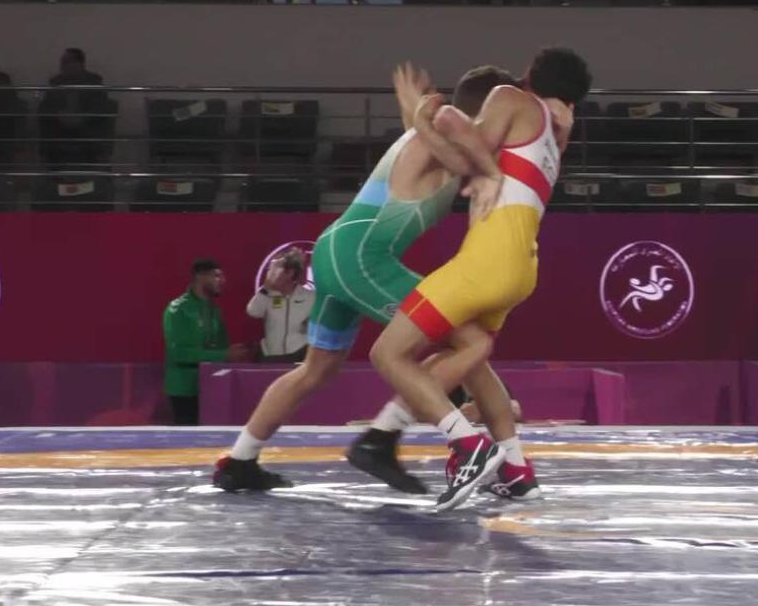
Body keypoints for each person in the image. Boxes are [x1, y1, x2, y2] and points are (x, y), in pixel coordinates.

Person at [212, 63, 517, 493]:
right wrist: (420, 115)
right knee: (466, 340)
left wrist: (415, 112)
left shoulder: (431, 132)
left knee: (317, 369)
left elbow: (435, 149)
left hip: (336, 249)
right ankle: (399, 440)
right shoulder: (448, 137)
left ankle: (239, 461)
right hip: (362, 258)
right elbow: (470, 165)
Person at [369, 47, 591, 510]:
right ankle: (516, 470)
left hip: (487, 261)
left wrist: (420, 118)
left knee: (388, 353)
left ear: (529, 75)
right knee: (469, 361)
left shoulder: (511, 98)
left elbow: (464, 157)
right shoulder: (556, 134)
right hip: (522, 266)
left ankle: (468, 445)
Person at [163, 258, 252, 426]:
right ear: (200, 277)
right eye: (216, 276)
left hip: (211, 387)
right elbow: (179, 353)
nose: (222, 280)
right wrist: (224, 354)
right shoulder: (178, 309)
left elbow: (223, 348)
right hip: (184, 389)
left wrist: (236, 353)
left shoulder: (215, 310)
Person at [246, 247, 312, 363]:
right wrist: (265, 288)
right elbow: (253, 312)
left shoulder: (310, 297)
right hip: (270, 356)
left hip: (300, 354)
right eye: (269, 269)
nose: (270, 274)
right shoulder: (266, 293)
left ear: (290, 272)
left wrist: (312, 324)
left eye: (275, 269)